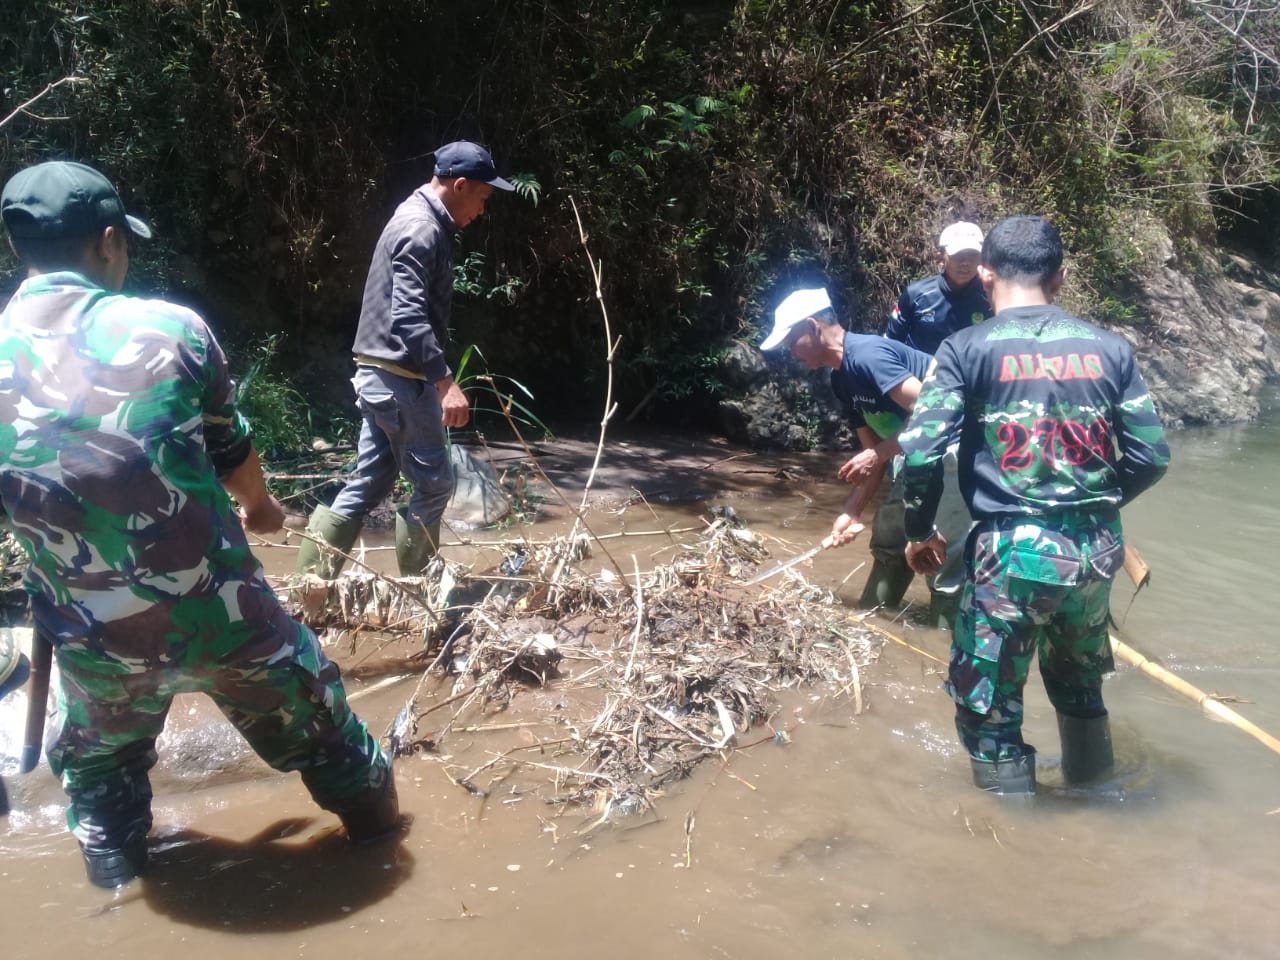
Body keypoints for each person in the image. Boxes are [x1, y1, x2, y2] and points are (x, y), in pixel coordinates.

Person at [0, 160, 397, 888]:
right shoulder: (170, 329)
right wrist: (261, 508)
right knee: (331, 738)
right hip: (223, 619)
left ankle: (116, 894)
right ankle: (383, 848)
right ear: (109, 242)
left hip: (93, 640)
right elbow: (230, 449)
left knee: (99, 772)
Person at [898, 215, 1170, 796]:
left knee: (990, 707)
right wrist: (1092, 504)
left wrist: (920, 529)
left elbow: (920, 452)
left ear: (988, 276)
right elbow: (1151, 455)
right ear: (1062, 276)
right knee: (1080, 689)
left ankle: (1015, 850)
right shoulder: (1110, 348)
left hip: (1012, 555)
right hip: (1097, 552)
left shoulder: (965, 348)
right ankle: (1098, 805)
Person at [296, 141, 515, 579]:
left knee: (368, 482)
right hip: (400, 381)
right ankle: (423, 590)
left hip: (379, 376)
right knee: (435, 483)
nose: (482, 209)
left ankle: (309, 585)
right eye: (482, 197)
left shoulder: (413, 217)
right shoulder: (422, 229)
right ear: (460, 185)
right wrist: (444, 381)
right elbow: (408, 315)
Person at [758, 288, 971, 608]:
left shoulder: (868, 355)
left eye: (791, 344)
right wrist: (851, 511)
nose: (792, 355)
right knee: (889, 537)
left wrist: (879, 453)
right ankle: (873, 619)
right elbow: (872, 457)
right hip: (917, 455)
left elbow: (934, 410)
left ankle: (938, 646)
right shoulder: (841, 380)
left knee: (941, 556)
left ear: (813, 327)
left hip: (958, 445)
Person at [885, 221, 993, 356]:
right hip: (918, 373)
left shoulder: (992, 295)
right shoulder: (916, 295)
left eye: (972, 255)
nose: (966, 263)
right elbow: (890, 343)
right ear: (940, 258)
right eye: (958, 255)